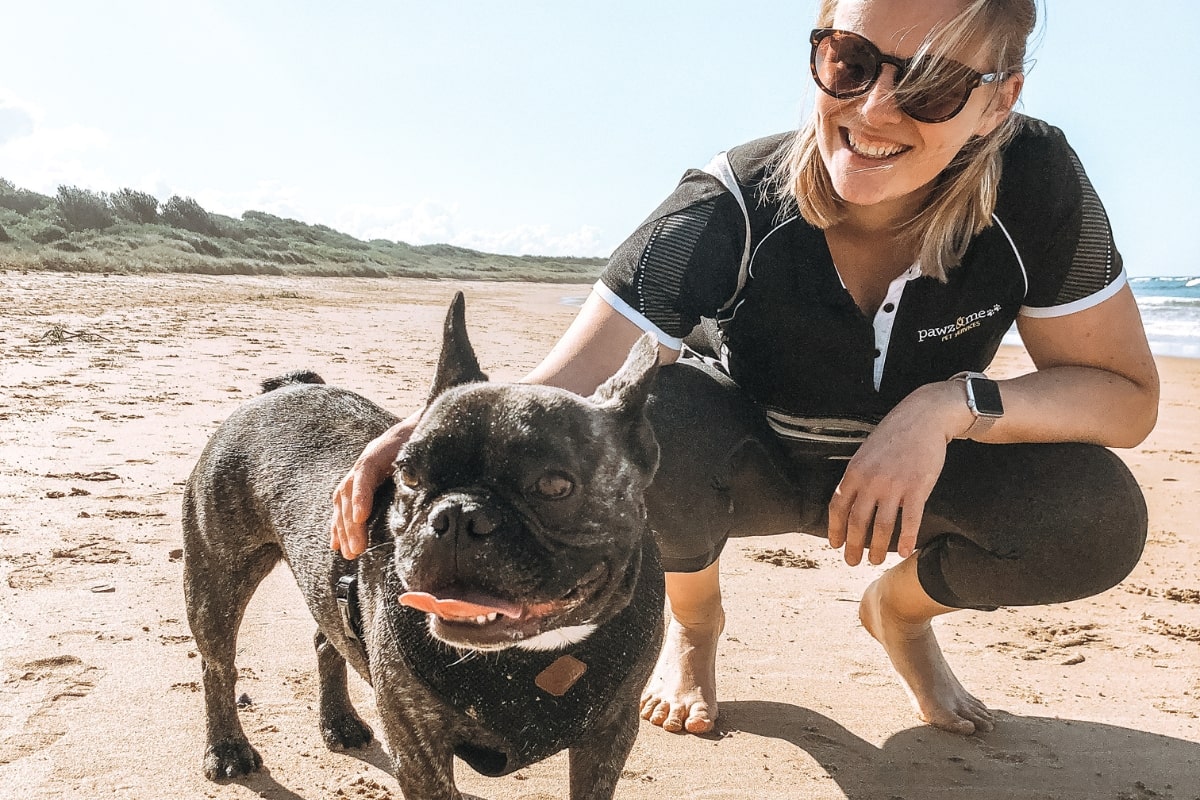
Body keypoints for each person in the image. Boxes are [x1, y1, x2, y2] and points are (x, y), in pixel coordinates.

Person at [331, 0, 1158, 739]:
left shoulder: (1037, 186)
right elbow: (568, 382)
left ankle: (899, 618)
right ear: (821, 46)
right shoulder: (731, 198)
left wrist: (946, 406)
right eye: (851, 62)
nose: (874, 109)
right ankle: (695, 627)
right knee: (645, 425)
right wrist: (435, 436)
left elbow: (1125, 400)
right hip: (746, 462)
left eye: (934, 86)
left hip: (921, 478)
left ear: (997, 102)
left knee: (1097, 519)